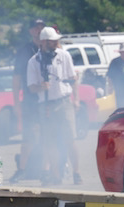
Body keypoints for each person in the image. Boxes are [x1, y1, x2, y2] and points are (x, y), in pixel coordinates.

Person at [27, 26, 82, 185]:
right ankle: (55, 175)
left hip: (64, 101)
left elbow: (73, 78)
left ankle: (76, 172)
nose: (55, 43)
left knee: (70, 138)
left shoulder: (64, 55)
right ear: (44, 42)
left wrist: (76, 99)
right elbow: (31, 87)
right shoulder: (34, 61)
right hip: (45, 105)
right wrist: (41, 87)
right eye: (52, 41)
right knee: (49, 141)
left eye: (56, 41)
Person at [10, 18, 44, 182]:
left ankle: (49, 171)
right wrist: (16, 102)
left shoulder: (52, 47)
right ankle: (22, 169)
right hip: (31, 100)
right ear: (31, 31)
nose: (38, 30)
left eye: (41, 27)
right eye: (36, 28)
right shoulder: (24, 50)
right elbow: (16, 78)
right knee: (29, 137)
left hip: (49, 100)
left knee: (50, 135)